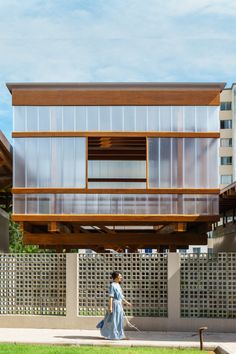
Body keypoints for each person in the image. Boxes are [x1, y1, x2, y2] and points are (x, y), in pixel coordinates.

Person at [97, 271, 132, 340]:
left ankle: (120, 335)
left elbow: (121, 297)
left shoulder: (118, 285)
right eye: (120, 276)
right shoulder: (112, 285)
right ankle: (113, 335)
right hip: (114, 305)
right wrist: (110, 307)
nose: (121, 277)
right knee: (113, 320)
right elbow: (111, 297)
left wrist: (127, 302)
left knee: (119, 320)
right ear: (116, 277)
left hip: (119, 305)